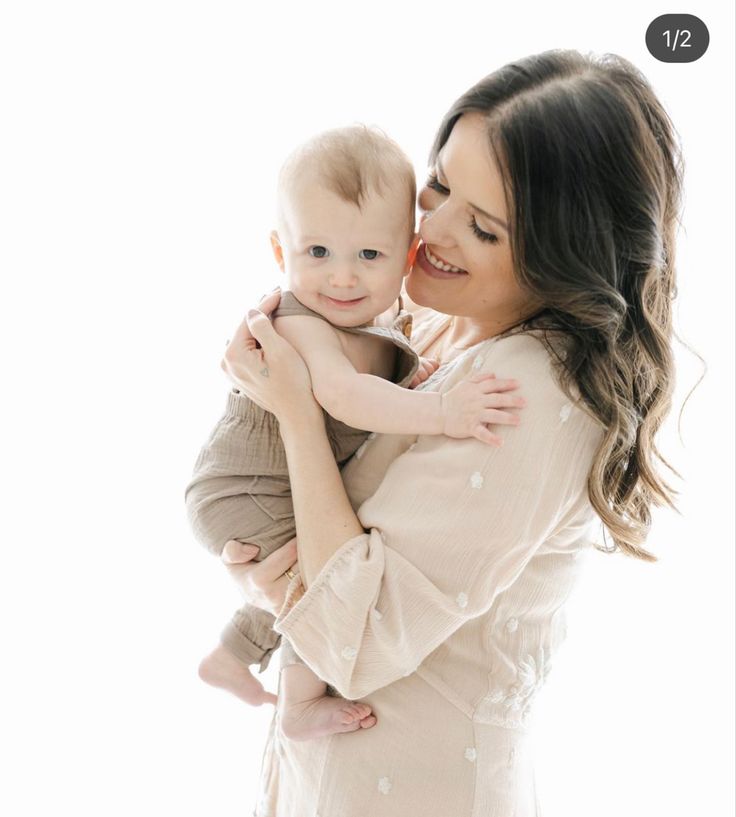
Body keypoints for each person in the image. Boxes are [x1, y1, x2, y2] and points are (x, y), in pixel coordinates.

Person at [194, 49, 684, 816]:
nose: (432, 229)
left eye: (483, 227)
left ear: (564, 256)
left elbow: (350, 640)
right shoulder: (441, 324)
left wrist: (293, 410)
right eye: (442, 185)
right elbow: (324, 552)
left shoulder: (529, 391)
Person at [185, 125, 525, 741]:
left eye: (369, 256)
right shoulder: (302, 321)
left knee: (303, 571)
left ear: (408, 252)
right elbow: (344, 396)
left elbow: (379, 383)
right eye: (317, 253)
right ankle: (295, 705)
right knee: (320, 586)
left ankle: (232, 655)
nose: (342, 278)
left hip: (265, 487)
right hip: (246, 486)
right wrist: (444, 411)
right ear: (280, 252)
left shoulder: (382, 322)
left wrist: (414, 375)